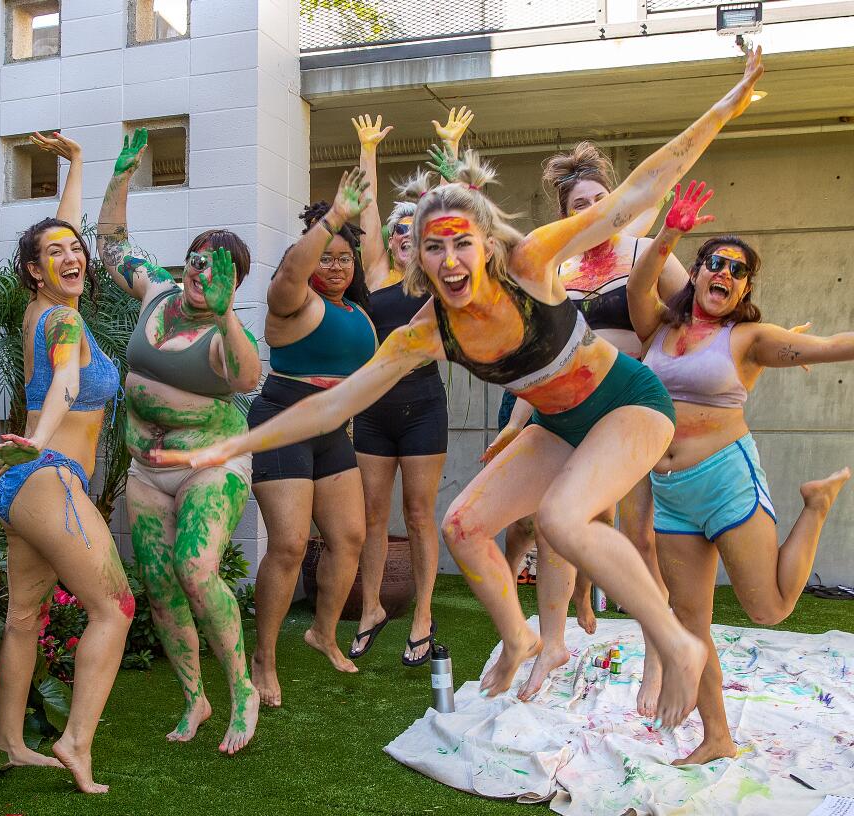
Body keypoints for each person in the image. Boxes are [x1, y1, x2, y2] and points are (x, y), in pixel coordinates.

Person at [154, 49, 765, 732]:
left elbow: (639, 192)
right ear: (415, 256)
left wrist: (726, 107)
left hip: (629, 405)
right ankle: (525, 638)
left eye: (460, 244)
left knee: (564, 521)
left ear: (485, 243)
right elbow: (333, 403)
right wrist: (227, 446)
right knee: (464, 525)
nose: (448, 260)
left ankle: (675, 643)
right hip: (559, 426)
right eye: (431, 247)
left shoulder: (531, 262)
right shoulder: (426, 331)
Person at [626, 179, 851, 764]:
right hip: (670, 491)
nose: (723, 273)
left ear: (746, 287)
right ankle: (717, 736)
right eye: (714, 263)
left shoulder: (748, 339)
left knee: (768, 610)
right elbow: (640, 281)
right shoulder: (657, 327)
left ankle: (817, 504)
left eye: (737, 270)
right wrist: (671, 229)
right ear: (696, 272)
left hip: (727, 481)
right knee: (690, 620)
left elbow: (827, 346)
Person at [496, 142, 692, 713]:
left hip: (630, 409)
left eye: (600, 199)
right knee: (558, 526)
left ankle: (658, 653)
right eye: (579, 204)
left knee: (639, 538)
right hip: (567, 410)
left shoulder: (644, 250)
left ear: (616, 203)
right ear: (568, 217)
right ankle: (551, 643)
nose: (591, 208)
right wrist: (516, 421)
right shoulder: (557, 268)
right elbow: (541, 354)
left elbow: (686, 319)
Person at [95, 130, 262, 754]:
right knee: (160, 587)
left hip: (208, 466)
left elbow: (249, 378)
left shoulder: (227, 335)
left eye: (217, 267)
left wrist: (223, 315)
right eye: (196, 257)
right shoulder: (156, 293)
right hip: (145, 470)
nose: (201, 269)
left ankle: (241, 688)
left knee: (196, 570)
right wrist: (122, 175)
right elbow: (111, 249)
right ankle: (196, 699)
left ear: (233, 283)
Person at [0, 192, 134, 792]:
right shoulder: (64, 320)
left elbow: (54, 234)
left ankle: (10, 744)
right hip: (48, 475)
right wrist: (37, 441)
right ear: (32, 269)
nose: (72, 256)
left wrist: (74, 167)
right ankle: (74, 741)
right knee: (115, 608)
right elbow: (66, 384)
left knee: (23, 617)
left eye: (77, 248)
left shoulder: (41, 312)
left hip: (28, 486)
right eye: (55, 252)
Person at [240, 170, 378, 706]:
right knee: (291, 543)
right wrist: (331, 222)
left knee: (348, 538)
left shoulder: (356, 311)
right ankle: (264, 658)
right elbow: (293, 269)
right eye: (327, 256)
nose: (335, 266)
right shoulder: (292, 301)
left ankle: (323, 632)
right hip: (284, 419)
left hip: (329, 429)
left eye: (344, 258)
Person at [344, 108, 472, 665]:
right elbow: (368, 213)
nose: (399, 238)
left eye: (410, 232)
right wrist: (369, 151)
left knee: (420, 515)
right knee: (372, 516)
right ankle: (370, 606)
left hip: (422, 405)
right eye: (395, 232)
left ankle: (422, 614)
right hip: (373, 410)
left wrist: (453, 146)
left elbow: (460, 218)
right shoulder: (372, 273)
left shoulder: (436, 281)